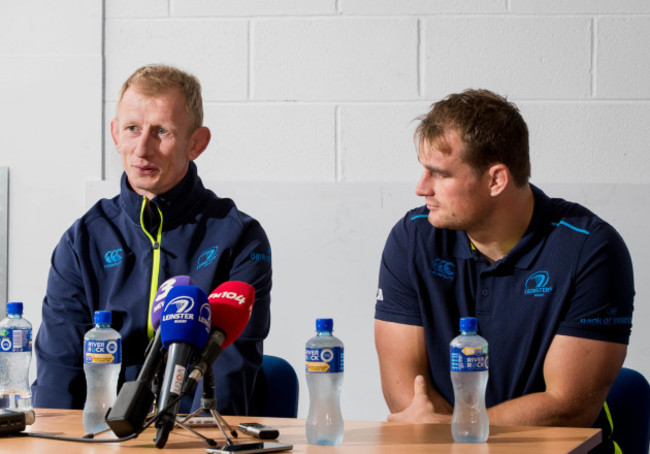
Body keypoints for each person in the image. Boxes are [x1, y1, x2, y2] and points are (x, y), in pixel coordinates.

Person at [374, 89, 634, 452]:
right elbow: (407, 392)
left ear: (496, 180)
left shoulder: (591, 249)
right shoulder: (412, 237)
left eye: (439, 174)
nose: (422, 188)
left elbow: (569, 406)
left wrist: (454, 430)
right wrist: (455, 439)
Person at [32, 64, 272, 416]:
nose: (142, 148)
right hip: (100, 438)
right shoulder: (82, 240)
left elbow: (228, 378)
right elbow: (57, 377)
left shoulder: (239, 238)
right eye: (132, 129)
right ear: (115, 134)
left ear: (196, 143)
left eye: (162, 131)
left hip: (194, 438)